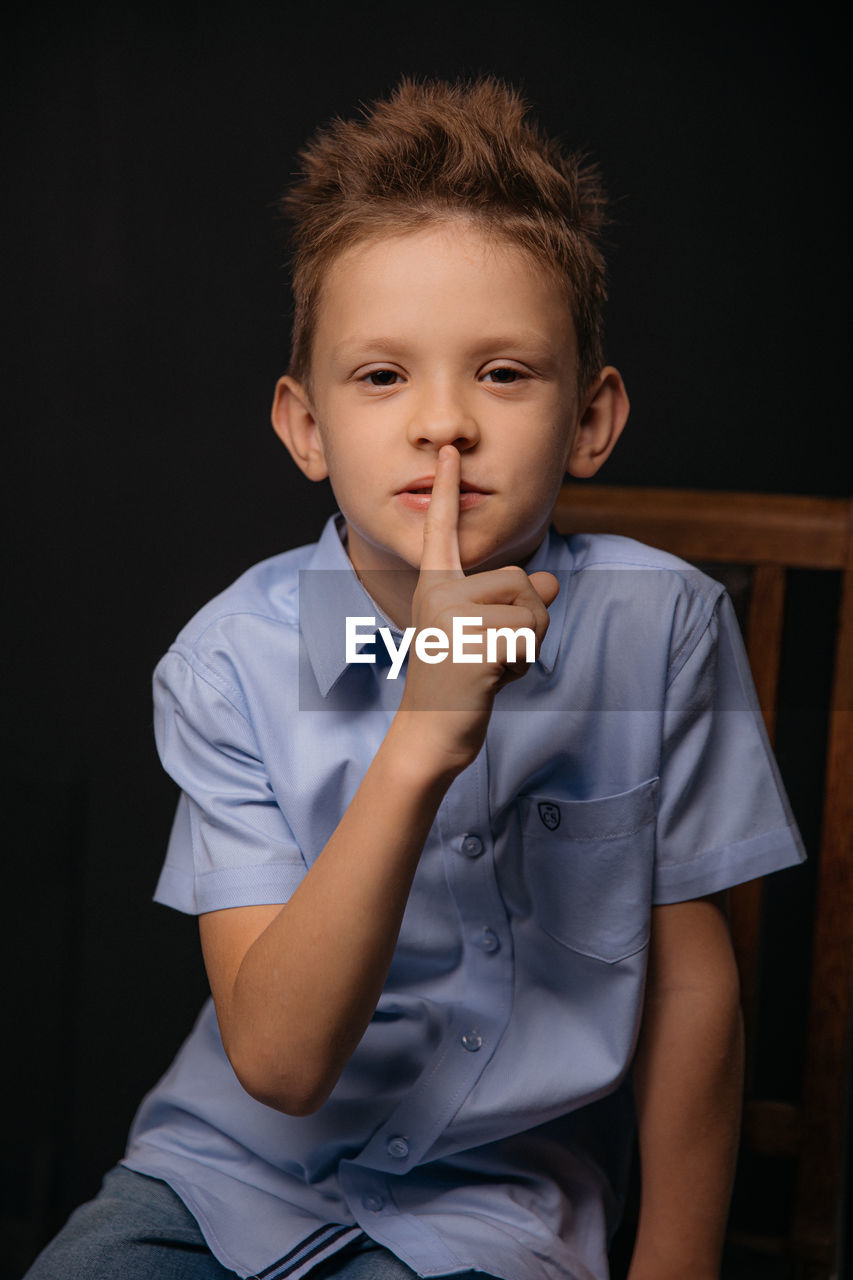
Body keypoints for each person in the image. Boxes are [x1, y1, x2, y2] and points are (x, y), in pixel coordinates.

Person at [25, 77, 805, 1280]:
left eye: (503, 373)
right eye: (382, 376)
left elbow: (690, 976)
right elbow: (279, 1063)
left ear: (590, 421)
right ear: (305, 427)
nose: (444, 423)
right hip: (225, 1177)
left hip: (497, 1208)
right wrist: (421, 734)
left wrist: (676, 1263)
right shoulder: (230, 660)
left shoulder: (660, 628)